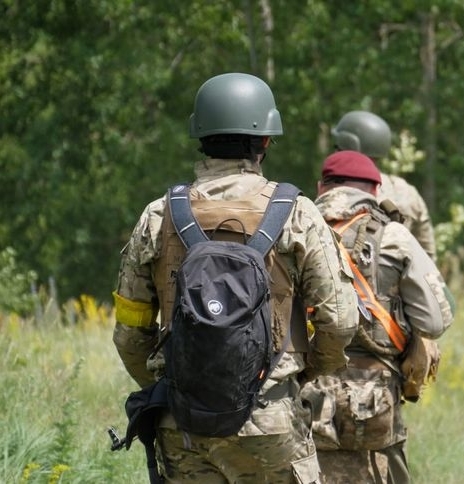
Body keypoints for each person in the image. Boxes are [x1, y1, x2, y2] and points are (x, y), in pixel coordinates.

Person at [111, 72, 358, 483]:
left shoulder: (158, 216)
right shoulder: (297, 214)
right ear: (265, 141)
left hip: (182, 423)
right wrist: (298, 375)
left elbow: (130, 333)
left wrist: (180, 382)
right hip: (271, 421)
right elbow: (341, 321)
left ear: (200, 136)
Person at [300, 150, 455, 483]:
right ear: (375, 190)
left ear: (321, 187)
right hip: (374, 398)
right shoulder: (395, 236)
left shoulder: (294, 229)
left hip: (304, 392)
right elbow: (436, 320)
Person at [331, 110, 437, 260]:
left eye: (338, 147)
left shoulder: (336, 190)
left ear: (349, 148)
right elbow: (428, 257)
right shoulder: (407, 192)